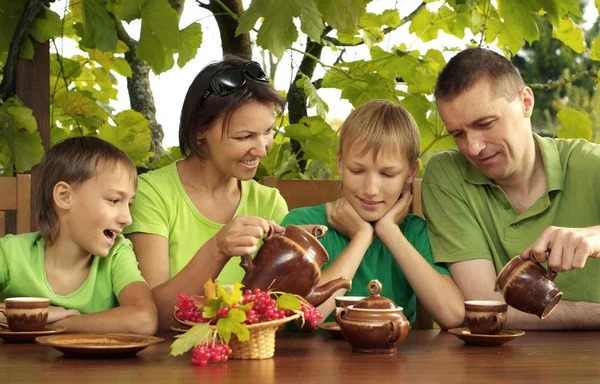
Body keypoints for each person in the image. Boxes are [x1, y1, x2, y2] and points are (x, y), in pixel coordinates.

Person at [422, 47, 600, 330]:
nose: (474, 148)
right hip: (498, 368)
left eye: (486, 123)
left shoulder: (592, 164)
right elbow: (485, 306)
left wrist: (595, 237)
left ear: (526, 102)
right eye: (459, 134)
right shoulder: (447, 175)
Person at [124, 57, 291, 330]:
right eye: (244, 137)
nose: (261, 149)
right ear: (201, 129)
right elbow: (155, 316)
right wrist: (217, 248)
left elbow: (283, 312)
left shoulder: (268, 201)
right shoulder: (154, 194)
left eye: (268, 132)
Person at [281, 100, 465, 329]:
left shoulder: (414, 233)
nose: (370, 189)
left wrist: (389, 232)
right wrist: (361, 238)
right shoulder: (303, 225)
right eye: (357, 170)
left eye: (387, 174)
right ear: (340, 162)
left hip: (395, 363)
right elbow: (303, 317)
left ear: (411, 172)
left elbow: (453, 314)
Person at [0, 136, 158, 335]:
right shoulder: (9, 253)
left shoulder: (117, 254)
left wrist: (43, 323)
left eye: (129, 203)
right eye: (114, 200)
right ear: (65, 196)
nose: (127, 219)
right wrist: (43, 314)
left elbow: (144, 320)